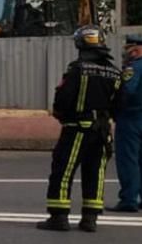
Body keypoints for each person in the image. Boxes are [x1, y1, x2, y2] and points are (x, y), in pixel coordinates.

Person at [38, 25, 123, 232]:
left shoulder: (77, 69)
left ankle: (58, 218)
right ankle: (90, 219)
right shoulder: (115, 72)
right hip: (102, 131)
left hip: (77, 128)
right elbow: (120, 105)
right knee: (95, 172)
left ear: (81, 43)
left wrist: (61, 115)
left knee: (63, 170)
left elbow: (63, 99)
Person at [111, 35, 142, 213]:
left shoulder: (133, 69)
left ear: (134, 50)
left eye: (127, 50)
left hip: (131, 118)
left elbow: (125, 92)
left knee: (127, 160)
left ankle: (128, 200)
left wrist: (113, 109)